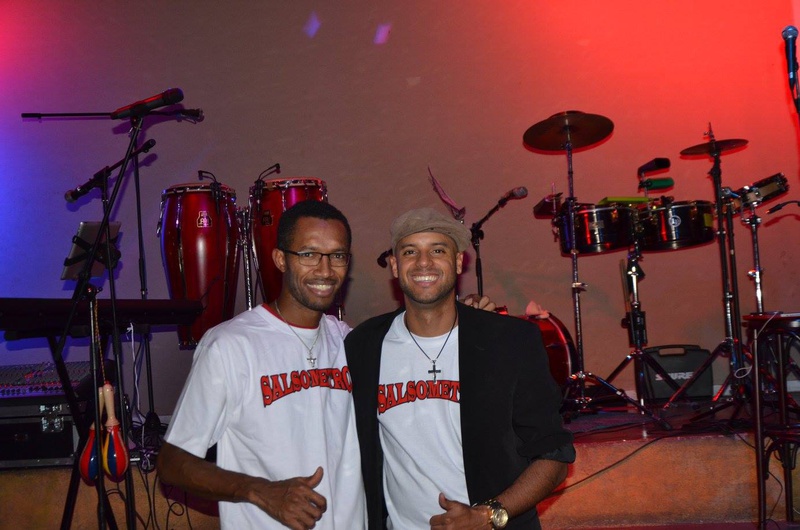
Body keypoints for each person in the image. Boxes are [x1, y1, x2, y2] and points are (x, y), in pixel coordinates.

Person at [157, 200, 493, 530]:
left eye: (337, 256)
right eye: (309, 254)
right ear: (280, 259)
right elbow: (172, 462)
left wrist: (467, 317)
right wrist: (259, 490)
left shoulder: (350, 341)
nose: (325, 269)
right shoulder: (230, 345)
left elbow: (419, 345)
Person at [345, 207, 575, 530]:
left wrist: (487, 515)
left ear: (457, 262)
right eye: (410, 252)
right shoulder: (364, 346)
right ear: (395, 266)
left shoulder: (508, 341)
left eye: (437, 250)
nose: (423, 262)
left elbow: (554, 456)